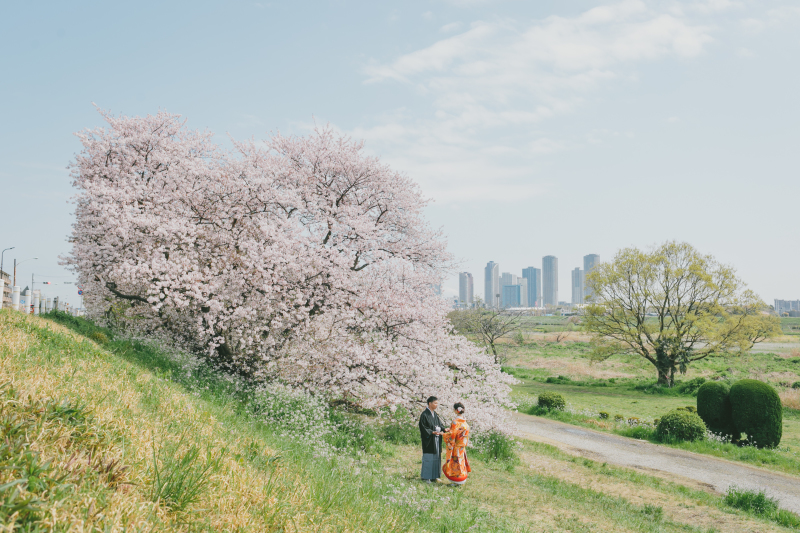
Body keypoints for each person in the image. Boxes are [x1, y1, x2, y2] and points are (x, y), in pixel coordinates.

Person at [442, 402, 471, 485]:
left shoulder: (455, 422)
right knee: (461, 461)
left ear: (455, 410)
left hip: (456, 446)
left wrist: (443, 434)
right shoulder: (465, 423)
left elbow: (452, 435)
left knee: (456, 462)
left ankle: (456, 480)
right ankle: (462, 479)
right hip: (462, 446)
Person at [419, 396, 445, 483]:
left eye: (437, 403)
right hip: (429, 440)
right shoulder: (424, 414)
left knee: (436, 457)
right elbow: (423, 428)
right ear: (430, 403)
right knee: (429, 457)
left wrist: (444, 429)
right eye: (435, 403)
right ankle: (426, 477)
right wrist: (432, 432)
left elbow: (440, 425)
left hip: (436, 439)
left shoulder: (435, 415)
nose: (436, 405)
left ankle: (435, 476)